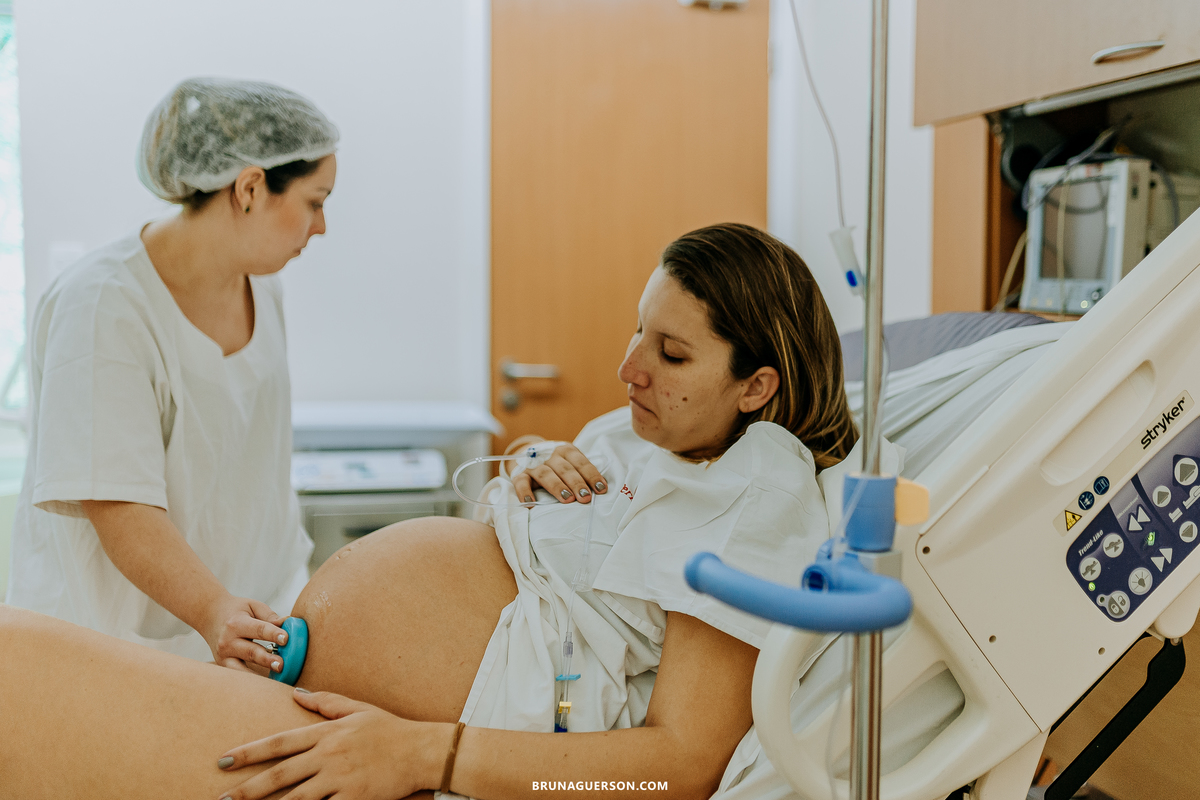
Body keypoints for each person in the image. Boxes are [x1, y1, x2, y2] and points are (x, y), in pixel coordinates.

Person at [0, 223, 866, 799]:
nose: (628, 367)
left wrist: (431, 755)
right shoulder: (653, 436)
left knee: (17, 679)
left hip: (395, 746)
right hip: (337, 703)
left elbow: (677, 770)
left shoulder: (759, 484)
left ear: (758, 387)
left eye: (670, 353)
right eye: (638, 330)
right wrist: (527, 473)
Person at [4, 77, 338, 672]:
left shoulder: (264, 286)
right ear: (251, 188)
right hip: (115, 650)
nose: (321, 227)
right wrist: (216, 613)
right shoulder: (104, 306)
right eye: (315, 201)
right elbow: (117, 503)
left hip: (245, 636)